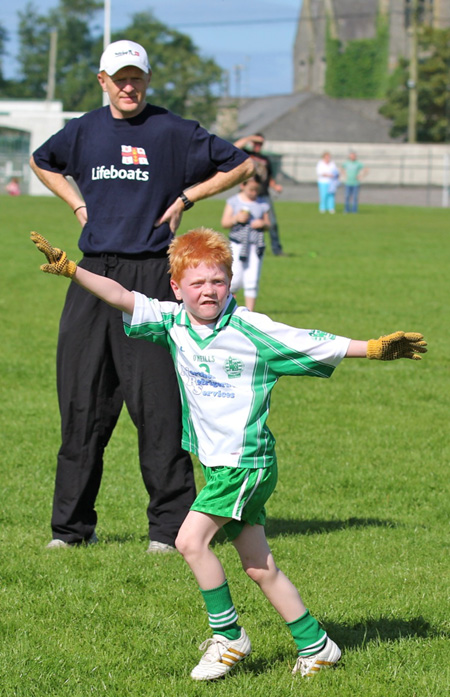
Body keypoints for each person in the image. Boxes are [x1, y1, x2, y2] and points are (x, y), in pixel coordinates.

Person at [31, 228, 427, 680]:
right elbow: (121, 294)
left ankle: (228, 637)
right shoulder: (173, 322)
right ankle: (317, 645)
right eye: (197, 284)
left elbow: (313, 341)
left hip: (245, 464)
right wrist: (71, 270)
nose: (208, 291)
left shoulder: (251, 330)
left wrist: (373, 349)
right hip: (222, 464)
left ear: (231, 283)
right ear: (176, 288)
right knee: (259, 567)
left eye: (217, 282)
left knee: (188, 541)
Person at [29, 39, 254, 552]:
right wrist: (78, 207)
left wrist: (187, 197)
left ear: (146, 80)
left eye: (136, 77)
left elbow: (240, 163)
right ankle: (69, 530)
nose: (128, 86)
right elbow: (43, 159)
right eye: (119, 77)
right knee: (82, 403)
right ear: (102, 80)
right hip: (91, 277)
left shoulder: (172, 130)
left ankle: (169, 530)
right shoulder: (85, 129)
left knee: (159, 406)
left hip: (153, 276)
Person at [221, 175, 270, 311]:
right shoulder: (234, 201)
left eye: (256, 190)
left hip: (255, 245)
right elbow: (224, 222)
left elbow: (268, 224)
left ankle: (250, 311)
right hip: (237, 244)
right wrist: (236, 218)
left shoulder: (262, 204)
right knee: (235, 277)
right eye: (251, 190)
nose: (254, 193)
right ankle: (228, 306)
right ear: (242, 186)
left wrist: (262, 224)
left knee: (252, 279)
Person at [233, 133, 285, 256]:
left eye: (260, 144)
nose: (258, 146)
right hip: (247, 195)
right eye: (256, 143)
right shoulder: (246, 154)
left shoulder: (265, 159)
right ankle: (240, 247)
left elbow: (269, 176)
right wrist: (251, 138)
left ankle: (276, 249)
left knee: (271, 223)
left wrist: (275, 186)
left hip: (263, 194)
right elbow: (235, 146)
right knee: (243, 221)